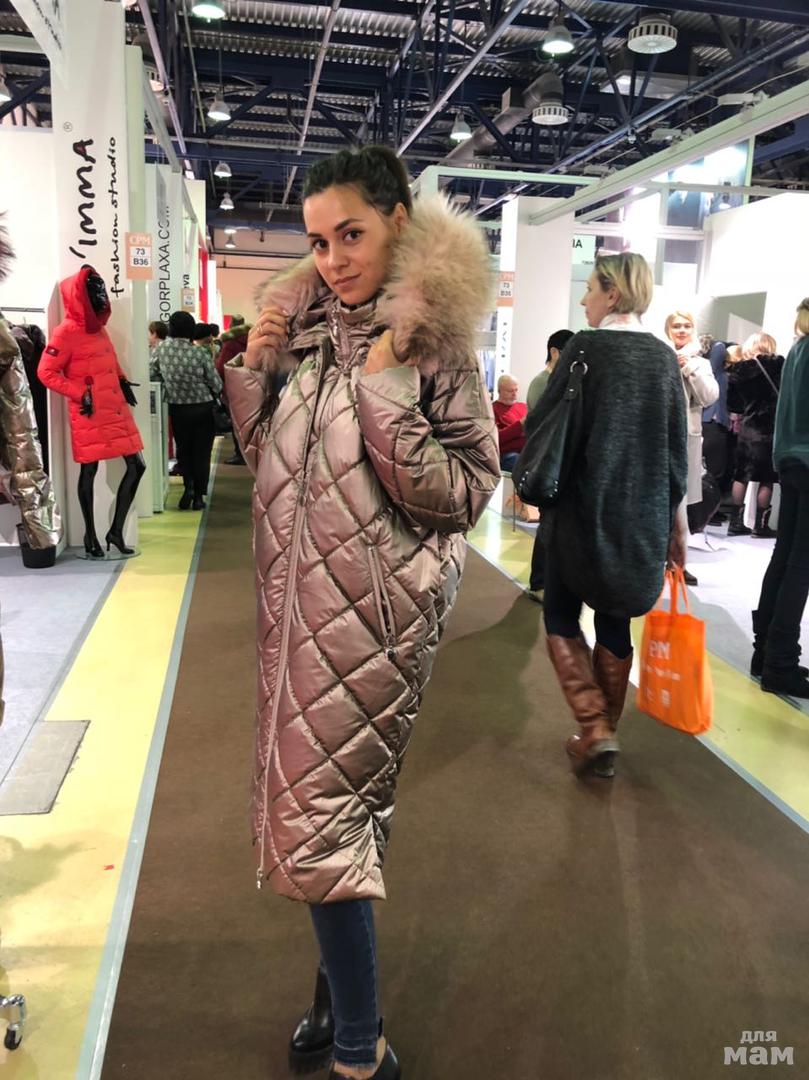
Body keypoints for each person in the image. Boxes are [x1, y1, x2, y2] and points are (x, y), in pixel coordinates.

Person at [225, 145, 499, 1080]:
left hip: (377, 617)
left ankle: (360, 1047)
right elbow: (273, 464)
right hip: (297, 607)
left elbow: (464, 492)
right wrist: (259, 366)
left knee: (318, 814)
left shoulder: (432, 345)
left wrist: (386, 392)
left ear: (397, 221)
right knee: (339, 812)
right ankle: (337, 1004)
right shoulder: (311, 334)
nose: (334, 258)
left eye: (351, 234)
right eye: (318, 242)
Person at [530, 253, 687, 778]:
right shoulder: (663, 359)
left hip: (580, 509)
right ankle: (605, 740)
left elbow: (544, 423)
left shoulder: (584, 348)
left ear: (612, 294)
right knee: (614, 620)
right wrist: (677, 527)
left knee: (560, 613)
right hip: (640, 517)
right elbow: (675, 455)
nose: (584, 300)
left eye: (591, 289)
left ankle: (594, 726)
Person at [753, 300, 809, 697]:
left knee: (786, 557)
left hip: (790, 460)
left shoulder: (798, 348)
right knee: (800, 564)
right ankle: (780, 662)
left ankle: (766, 652)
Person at [664, 310, 719, 586]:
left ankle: (678, 563)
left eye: (687, 325)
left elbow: (710, 397)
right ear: (668, 329)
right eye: (677, 326)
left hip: (686, 441)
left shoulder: (700, 363)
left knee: (680, 505)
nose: (682, 330)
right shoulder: (659, 358)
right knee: (658, 502)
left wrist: (689, 369)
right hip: (659, 439)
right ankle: (657, 561)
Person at [151, 310, 222, 510]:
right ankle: (199, 496)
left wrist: (169, 384)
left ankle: (188, 488)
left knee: (184, 451)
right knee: (202, 453)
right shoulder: (199, 353)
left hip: (177, 409)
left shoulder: (161, 350)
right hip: (202, 408)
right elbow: (216, 384)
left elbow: (152, 374)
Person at [525, 329, 574, 603]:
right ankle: (539, 583)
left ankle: (548, 582)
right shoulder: (542, 383)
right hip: (545, 463)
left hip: (557, 463)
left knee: (555, 523)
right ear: (555, 352)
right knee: (548, 522)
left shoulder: (560, 382)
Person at [726, 332, 784, 539]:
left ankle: (735, 523)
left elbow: (733, 405)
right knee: (767, 478)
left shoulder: (740, 370)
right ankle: (760, 526)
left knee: (741, 475)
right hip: (771, 429)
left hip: (749, 429)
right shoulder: (780, 365)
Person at [699, 333, 730, 524]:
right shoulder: (714, 368)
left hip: (712, 422)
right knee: (715, 469)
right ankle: (708, 511)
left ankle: (709, 509)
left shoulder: (717, 371)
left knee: (714, 468)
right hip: (712, 422)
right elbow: (719, 349)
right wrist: (728, 344)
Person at [216, 316, 253, 465]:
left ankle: (240, 454)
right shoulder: (255, 339)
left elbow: (222, 367)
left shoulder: (230, 343)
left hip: (234, 389)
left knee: (237, 423)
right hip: (254, 386)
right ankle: (252, 453)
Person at [526, 329, 574, 412]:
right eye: (570, 354)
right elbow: (542, 417)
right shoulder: (541, 382)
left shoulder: (563, 381)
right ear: (554, 352)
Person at [492, 374, 526, 471]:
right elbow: (495, 438)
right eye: (510, 391)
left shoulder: (524, 407)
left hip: (528, 450)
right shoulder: (492, 409)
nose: (514, 394)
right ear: (499, 390)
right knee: (517, 460)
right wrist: (520, 425)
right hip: (509, 454)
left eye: (516, 390)